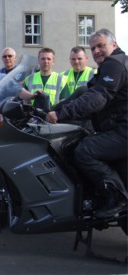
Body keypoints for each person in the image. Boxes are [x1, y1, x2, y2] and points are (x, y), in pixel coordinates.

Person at [46, 29, 127, 218]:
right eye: (93, 48)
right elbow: (85, 93)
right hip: (118, 128)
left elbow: (100, 96)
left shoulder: (115, 63)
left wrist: (62, 113)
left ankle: (118, 198)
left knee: (84, 150)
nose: (96, 51)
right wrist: (49, 111)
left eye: (101, 46)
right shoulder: (111, 65)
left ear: (113, 45)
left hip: (123, 130)